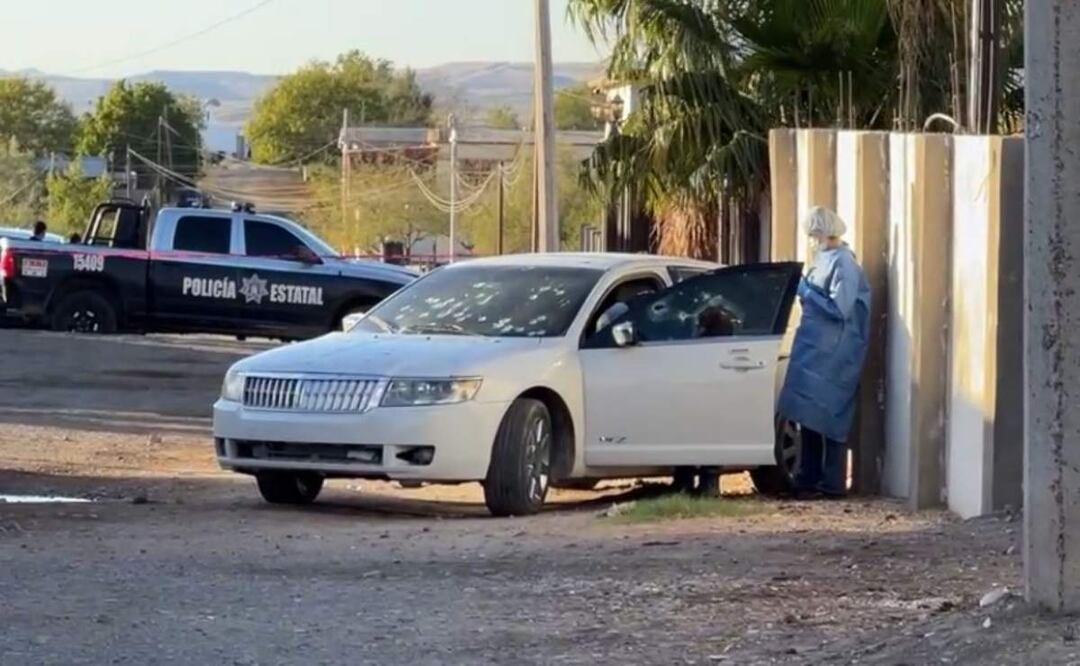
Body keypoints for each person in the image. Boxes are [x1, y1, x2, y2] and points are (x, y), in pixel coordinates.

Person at [777, 207, 871, 499]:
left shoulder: (844, 264)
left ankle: (832, 483)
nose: (812, 240)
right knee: (808, 417)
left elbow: (840, 308)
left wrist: (807, 292)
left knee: (830, 418)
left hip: (835, 352)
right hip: (813, 348)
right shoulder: (822, 259)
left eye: (814, 234)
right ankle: (807, 478)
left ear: (825, 232)